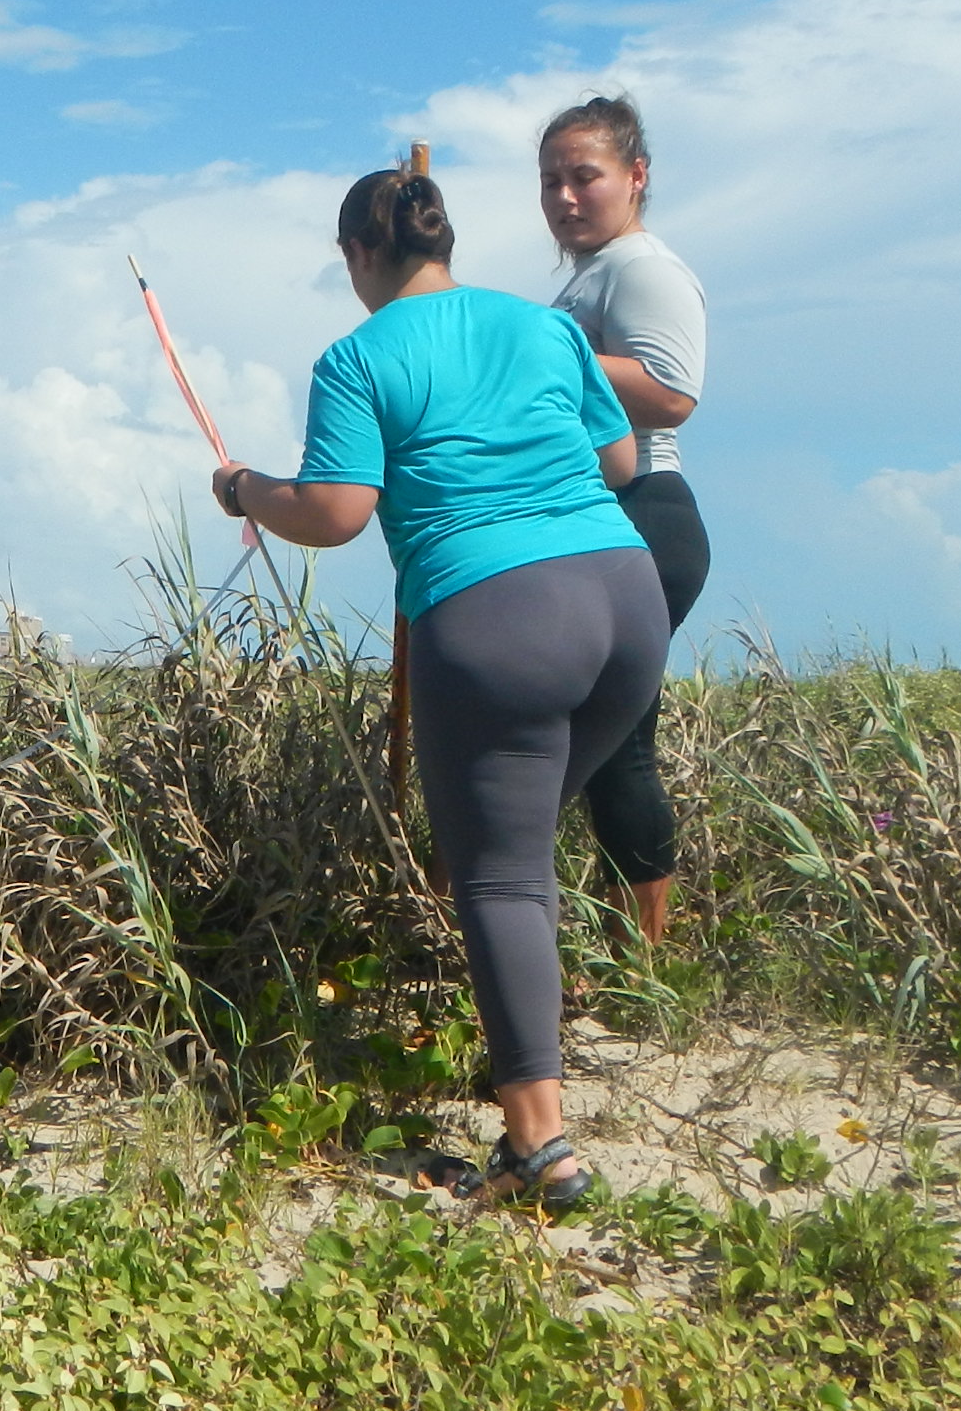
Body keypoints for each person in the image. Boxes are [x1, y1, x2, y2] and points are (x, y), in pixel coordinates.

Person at [212, 168, 666, 1209]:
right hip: (625, 599)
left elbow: (333, 512)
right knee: (525, 852)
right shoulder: (540, 327)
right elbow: (620, 458)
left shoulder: (358, 354)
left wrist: (245, 489)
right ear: (444, 243)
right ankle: (533, 1030)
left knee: (501, 877)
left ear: (356, 258)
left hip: (499, 617)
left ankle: (539, 1147)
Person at [540, 96, 709, 949]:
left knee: (615, 744)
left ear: (636, 177)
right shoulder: (590, 275)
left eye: (585, 177)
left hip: (644, 513)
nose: (566, 198)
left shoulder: (641, 267)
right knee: (602, 740)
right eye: (552, 182)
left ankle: (648, 953)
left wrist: (544, 348)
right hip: (606, 522)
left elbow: (673, 393)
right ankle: (627, 948)